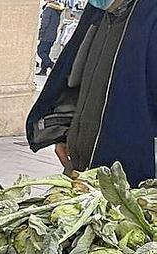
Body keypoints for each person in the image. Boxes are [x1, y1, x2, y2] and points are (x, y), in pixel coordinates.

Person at [27, 0, 157, 187]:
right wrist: (64, 132)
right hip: (83, 168)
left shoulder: (150, 17)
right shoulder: (98, 13)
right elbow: (73, 78)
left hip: (135, 180)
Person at [37, 1, 65, 75]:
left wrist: (40, 33)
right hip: (53, 35)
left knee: (40, 51)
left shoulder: (48, 9)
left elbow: (44, 23)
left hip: (46, 35)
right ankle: (43, 71)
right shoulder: (57, 9)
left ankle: (52, 65)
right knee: (46, 52)